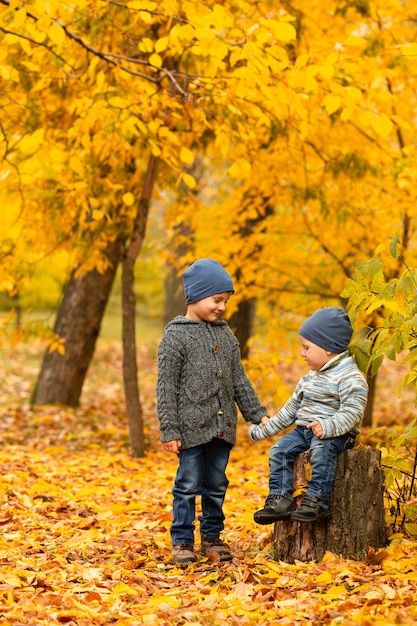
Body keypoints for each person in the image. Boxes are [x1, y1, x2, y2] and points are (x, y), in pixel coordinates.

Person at [156, 258, 269, 565]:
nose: (221, 307)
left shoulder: (225, 335)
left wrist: (256, 413)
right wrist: (170, 430)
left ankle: (212, 536)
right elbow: (166, 387)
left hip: (221, 428)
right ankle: (182, 541)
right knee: (188, 483)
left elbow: (237, 379)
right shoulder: (176, 336)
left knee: (216, 483)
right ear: (194, 296)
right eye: (216, 300)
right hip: (190, 430)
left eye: (225, 301)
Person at [249, 306, 368, 524]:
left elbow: (353, 411)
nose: (302, 353)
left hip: (335, 433)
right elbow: (290, 410)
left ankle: (317, 500)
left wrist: (329, 427)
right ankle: (280, 499)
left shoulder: (350, 376)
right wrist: (263, 430)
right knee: (280, 449)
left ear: (329, 348)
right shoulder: (310, 377)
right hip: (304, 431)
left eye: (307, 347)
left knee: (321, 450)